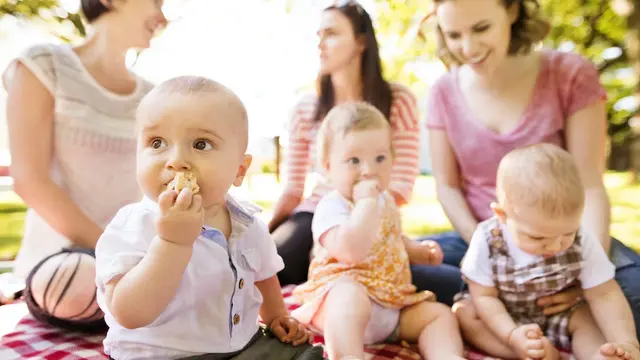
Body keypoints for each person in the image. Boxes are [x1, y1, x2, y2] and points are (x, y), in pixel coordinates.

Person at [416, 0, 640, 338]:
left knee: (630, 295)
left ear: (512, 11)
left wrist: (578, 275)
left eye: (481, 29)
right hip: (479, 238)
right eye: (453, 35)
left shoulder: (570, 73)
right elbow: (446, 187)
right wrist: (493, 258)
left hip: (563, 240)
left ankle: (509, 311)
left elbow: (590, 185)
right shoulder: (443, 92)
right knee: (390, 268)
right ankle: (493, 308)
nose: (468, 48)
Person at [95, 76, 324, 360]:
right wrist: (171, 244)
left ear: (240, 170)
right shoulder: (135, 224)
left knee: (301, 353)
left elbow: (263, 275)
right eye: (157, 143)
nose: (177, 160)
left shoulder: (247, 223)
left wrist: (277, 315)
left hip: (240, 345)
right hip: (161, 354)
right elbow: (128, 313)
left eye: (201, 144)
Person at [1, 0, 165, 331]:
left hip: (134, 261)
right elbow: (29, 180)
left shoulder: (152, 96)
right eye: (156, 2)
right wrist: (119, 254)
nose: (162, 17)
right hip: (66, 263)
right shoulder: (42, 65)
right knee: (77, 289)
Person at [290, 102, 464, 360]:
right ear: (327, 167)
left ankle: (447, 356)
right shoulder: (332, 206)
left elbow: (389, 237)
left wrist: (416, 251)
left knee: (439, 314)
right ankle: (348, 355)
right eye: (354, 160)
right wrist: (366, 204)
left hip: (390, 305)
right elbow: (352, 251)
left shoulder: (386, 202)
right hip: (340, 305)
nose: (369, 170)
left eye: (380, 158)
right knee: (349, 295)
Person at [270, 0, 427, 286]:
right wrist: (265, 234)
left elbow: (401, 186)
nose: (320, 44)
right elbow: (293, 190)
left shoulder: (399, 101)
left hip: (376, 214)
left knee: (417, 280)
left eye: (331, 34)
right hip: (317, 212)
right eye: (318, 36)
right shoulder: (306, 108)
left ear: (361, 42)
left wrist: (364, 213)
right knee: (272, 265)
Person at [455, 143, 640, 360]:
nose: (555, 246)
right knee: (466, 313)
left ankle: (597, 355)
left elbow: (604, 294)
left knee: (586, 318)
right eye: (538, 237)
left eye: (566, 234)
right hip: (503, 317)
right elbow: (484, 297)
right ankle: (530, 353)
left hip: (559, 313)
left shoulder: (582, 238)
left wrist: (627, 341)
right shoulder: (486, 239)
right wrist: (512, 335)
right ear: (502, 215)